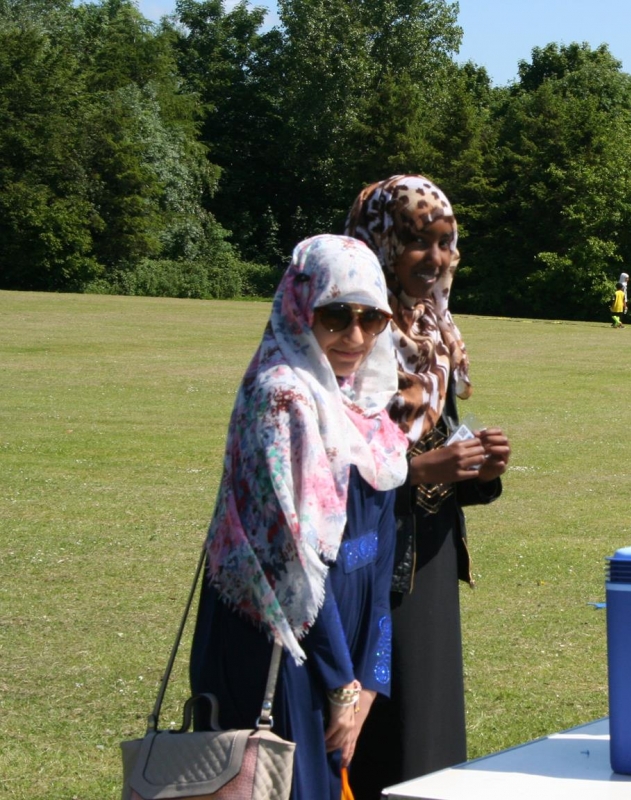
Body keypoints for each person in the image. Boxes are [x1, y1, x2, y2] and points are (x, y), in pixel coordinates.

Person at [189, 234, 409, 800]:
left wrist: (369, 683)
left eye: (371, 319)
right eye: (336, 316)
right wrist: (340, 683)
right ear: (299, 309)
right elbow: (294, 560)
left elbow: (380, 564)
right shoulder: (282, 399)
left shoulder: (368, 409)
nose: (355, 338)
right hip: (277, 648)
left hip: (344, 656)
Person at [344, 175, 511, 796]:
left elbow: (434, 445)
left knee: (430, 733)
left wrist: (478, 471)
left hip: (428, 562)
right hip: (365, 571)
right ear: (380, 241)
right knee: (383, 742)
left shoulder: (433, 332)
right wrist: (419, 470)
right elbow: (323, 475)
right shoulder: (348, 333)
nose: (435, 258)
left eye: (445, 243)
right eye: (417, 241)